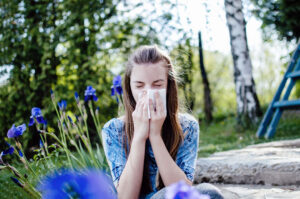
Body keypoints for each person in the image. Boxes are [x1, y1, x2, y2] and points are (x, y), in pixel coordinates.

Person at [101, 45, 224, 199]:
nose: (148, 92)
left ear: (169, 86)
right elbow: (126, 196)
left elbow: (183, 191)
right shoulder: (114, 129)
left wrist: (155, 135)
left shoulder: (187, 126)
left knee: (209, 192)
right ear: (129, 87)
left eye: (157, 85)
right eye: (139, 86)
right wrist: (139, 136)